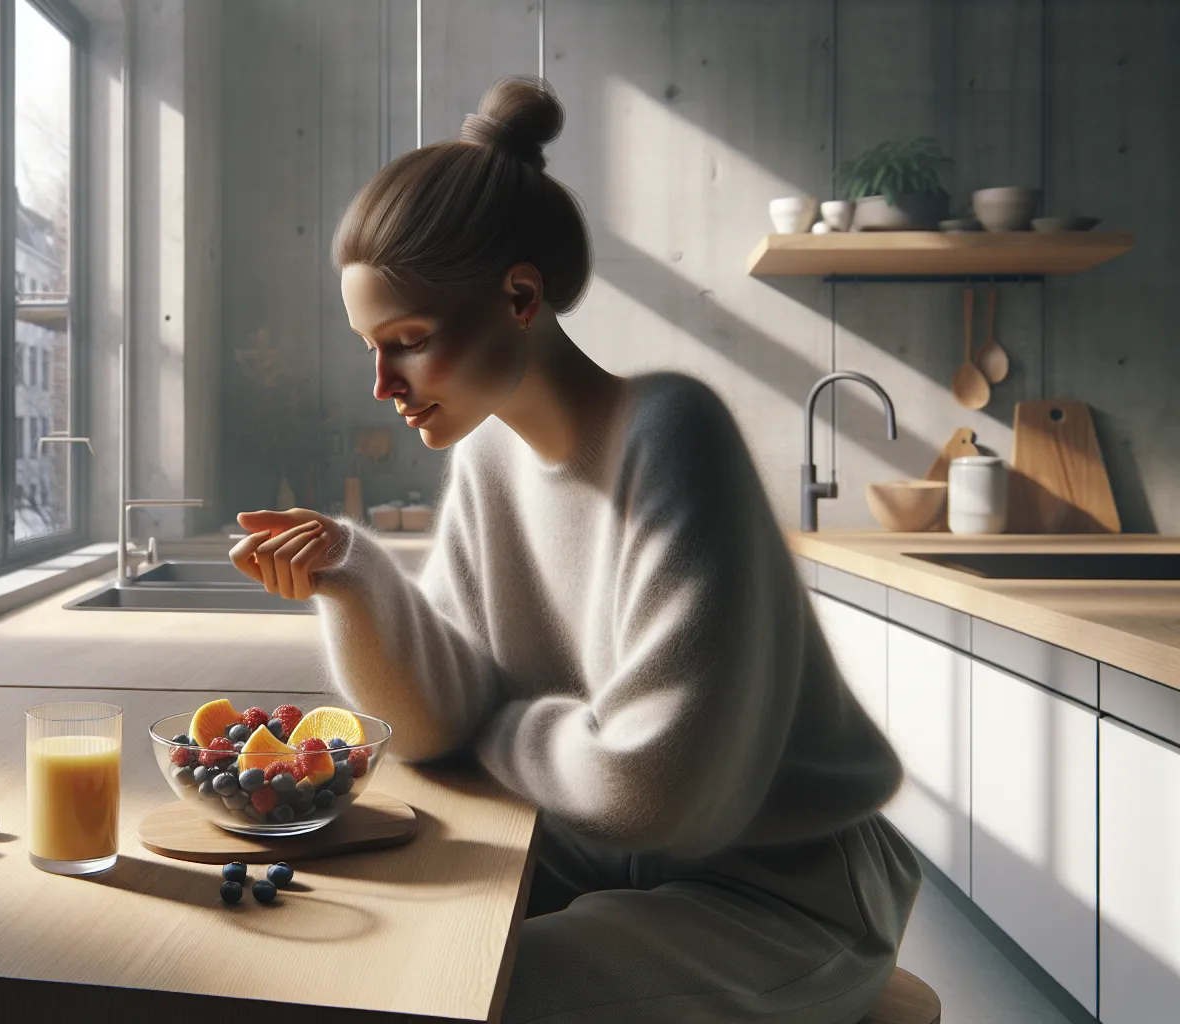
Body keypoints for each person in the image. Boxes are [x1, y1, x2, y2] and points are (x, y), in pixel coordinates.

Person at [229, 76, 920, 1024]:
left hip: (781, 898)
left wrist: (500, 727)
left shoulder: (672, 432)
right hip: (594, 853)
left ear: (520, 296)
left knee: (453, 992)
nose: (382, 382)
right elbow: (440, 722)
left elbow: (652, 786)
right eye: (369, 347)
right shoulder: (486, 458)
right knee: (348, 931)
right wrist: (350, 578)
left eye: (409, 341)